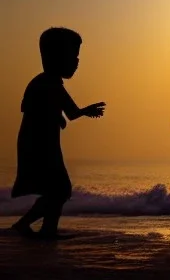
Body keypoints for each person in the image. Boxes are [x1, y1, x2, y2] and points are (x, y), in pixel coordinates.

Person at [11, 27, 106, 240]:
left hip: (47, 143)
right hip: (37, 143)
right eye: (73, 55)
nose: (76, 61)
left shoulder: (53, 83)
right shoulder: (42, 83)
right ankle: (25, 225)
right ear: (54, 56)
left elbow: (71, 113)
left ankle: (47, 230)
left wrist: (84, 111)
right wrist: (61, 116)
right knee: (60, 189)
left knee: (57, 190)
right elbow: (33, 110)